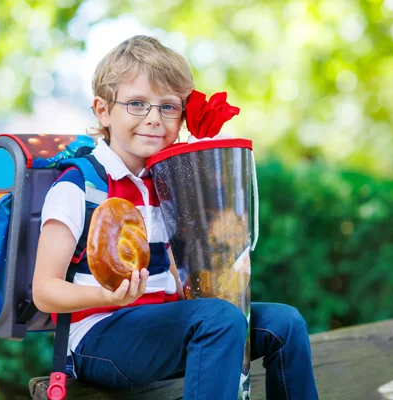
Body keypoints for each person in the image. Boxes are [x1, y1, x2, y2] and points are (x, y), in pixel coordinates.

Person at [32, 35, 319, 400]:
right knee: (219, 319)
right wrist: (107, 294)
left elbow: (182, 276)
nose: (154, 118)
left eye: (168, 107)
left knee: (286, 323)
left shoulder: (170, 184)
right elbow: (44, 292)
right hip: (99, 336)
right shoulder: (80, 187)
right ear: (103, 110)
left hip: (167, 327)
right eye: (137, 104)